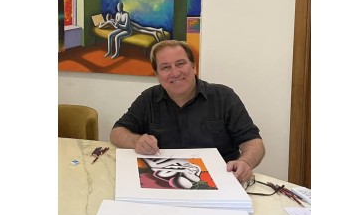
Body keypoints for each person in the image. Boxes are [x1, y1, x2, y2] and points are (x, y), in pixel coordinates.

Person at [110, 40, 265, 185]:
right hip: (164, 182)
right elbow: (117, 132)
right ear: (157, 75)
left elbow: (253, 142)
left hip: (220, 182)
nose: (175, 73)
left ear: (193, 66)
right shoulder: (148, 98)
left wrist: (245, 162)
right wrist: (136, 141)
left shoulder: (223, 97)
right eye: (165, 67)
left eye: (180, 64)